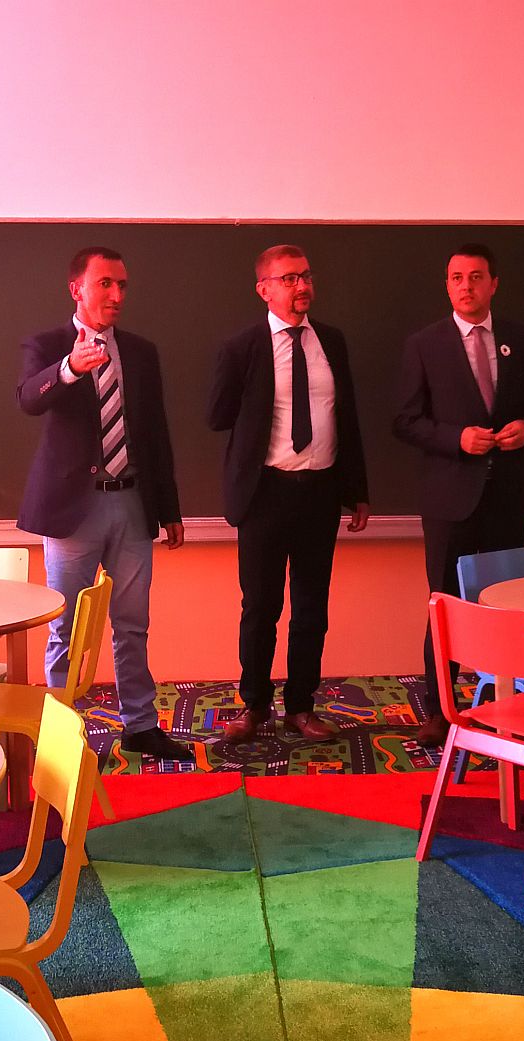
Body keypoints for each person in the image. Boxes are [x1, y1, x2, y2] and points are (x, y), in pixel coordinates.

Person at [18, 246, 193, 760]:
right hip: (73, 511)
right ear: (77, 289)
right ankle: (63, 733)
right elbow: (27, 398)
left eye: (122, 285)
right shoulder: (47, 345)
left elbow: (155, 433)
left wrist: (170, 509)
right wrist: (69, 368)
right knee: (66, 627)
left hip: (132, 503)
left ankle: (140, 725)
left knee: (132, 624)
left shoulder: (140, 351)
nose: (117, 295)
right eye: (105, 284)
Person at [394, 243, 524, 746]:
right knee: (445, 602)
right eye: (457, 277)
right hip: (449, 498)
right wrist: (455, 439)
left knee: (507, 604)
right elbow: (405, 421)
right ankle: (441, 708)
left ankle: (507, 703)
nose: (466, 286)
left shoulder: (522, 340)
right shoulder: (424, 345)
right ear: (448, 286)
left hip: (506, 495)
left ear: (493, 284)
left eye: (476, 276)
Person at [209, 244, 370, 743]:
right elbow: (217, 416)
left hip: (320, 491)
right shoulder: (242, 347)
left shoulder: (332, 342)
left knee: (311, 608)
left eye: (306, 276)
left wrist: (357, 491)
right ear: (264, 289)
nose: (301, 286)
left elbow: (348, 418)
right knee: (260, 607)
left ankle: (302, 705)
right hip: (265, 493)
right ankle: (254, 706)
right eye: (289, 279)